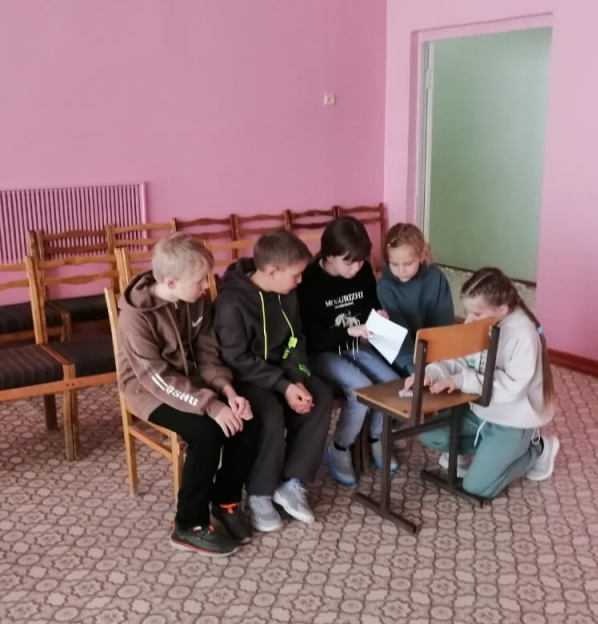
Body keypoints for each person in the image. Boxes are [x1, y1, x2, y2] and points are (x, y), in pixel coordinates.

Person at [116, 234, 259, 557]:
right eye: (200, 281)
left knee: (246, 418)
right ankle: (189, 524)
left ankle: (225, 500)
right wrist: (211, 406)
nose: (206, 286)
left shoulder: (195, 299)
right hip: (148, 390)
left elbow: (207, 353)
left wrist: (227, 391)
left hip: (189, 381)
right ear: (171, 282)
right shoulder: (135, 317)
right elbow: (157, 378)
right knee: (206, 433)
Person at [213, 229, 333, 532]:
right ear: (273, 272)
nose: (301, 281)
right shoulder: (231, 303)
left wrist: (297, 379)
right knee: (269, 412)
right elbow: (237, 359)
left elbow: (296, 339)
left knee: (320, 396)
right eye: (296, 275)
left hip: (283, 373)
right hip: (245, 377)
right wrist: (284, 386)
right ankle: (260, 493)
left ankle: (291, 482)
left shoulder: (288, 293)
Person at [409, 267, 560, 498]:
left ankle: (537, 450)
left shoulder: (523, 334)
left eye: (477, 314)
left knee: (476, 488)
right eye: (467, 312)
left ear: (502, 309)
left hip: (511, 421)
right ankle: (491, 457)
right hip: (478, 412)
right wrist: (432, 374)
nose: (469, 320)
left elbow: (512, 389)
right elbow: (459, 359)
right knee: (430, 434)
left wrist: (461, 380)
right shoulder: (481, 323)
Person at [297, 217, 400, 485]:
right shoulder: (308, 280)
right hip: (321, 351)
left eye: (360, 261)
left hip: (355, 344)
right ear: (329, 256)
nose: (356, 268)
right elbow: (310, 337)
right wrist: (349, 332)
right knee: (360, 389)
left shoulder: (362, 271)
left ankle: (376, 437)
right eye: (348, 262)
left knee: (391, 383)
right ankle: (339, 447)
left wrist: (378, 316)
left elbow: (370, 304)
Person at [376, 223, 455, 377]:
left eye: (408, 263)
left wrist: (438, 364)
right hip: (403, 358)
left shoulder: (436, 277)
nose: (401, 270)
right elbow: (397, 333)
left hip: (435, 355)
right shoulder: (385, 286)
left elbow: (443, 323)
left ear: (421, 256)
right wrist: (416, 370)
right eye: (394, 264)